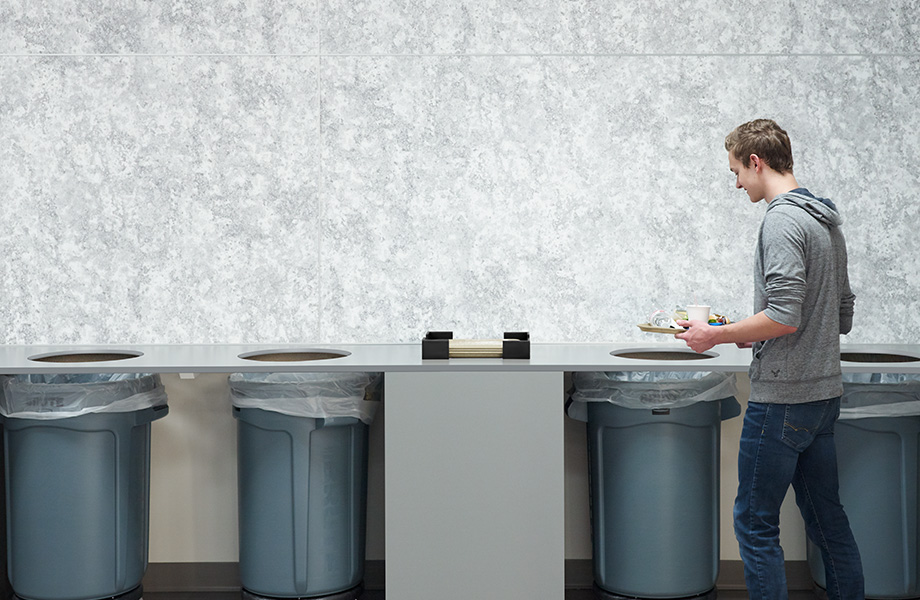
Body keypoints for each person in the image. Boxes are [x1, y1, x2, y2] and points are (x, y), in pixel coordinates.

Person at [676, 119, 863, 600]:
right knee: (827, 520)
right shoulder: (826, 220)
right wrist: (753, 334)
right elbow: (841, 315)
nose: (737, 183)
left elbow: (783, 314)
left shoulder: (781, 221)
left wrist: (717, 334)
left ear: (756, 162)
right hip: (823, 395)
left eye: (736, 171)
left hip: (782, 400)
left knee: (754, 523)